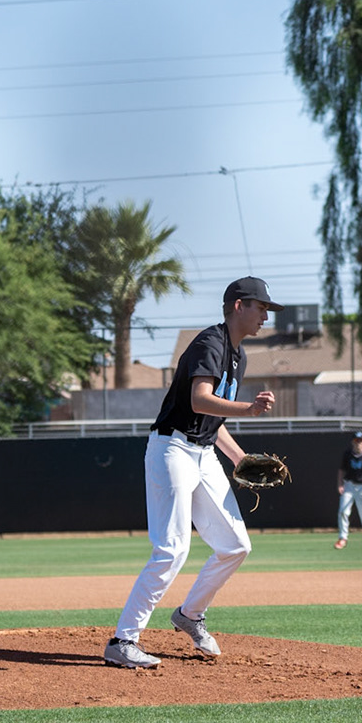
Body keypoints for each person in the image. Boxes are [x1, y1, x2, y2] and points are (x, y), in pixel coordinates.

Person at [105, 277, 280, 668]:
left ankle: (190, 614)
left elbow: (214, 420)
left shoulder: (238, 355)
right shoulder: (210, 343)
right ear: (238, 306)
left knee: (235, 546)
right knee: (172, 548)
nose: (266, 316)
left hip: (203, 452)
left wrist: (238, 458)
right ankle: (123, 640)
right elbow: (200, 400)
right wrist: (250, 409)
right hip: (172, 449)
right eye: (261, 307)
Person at [334, 430, 362, 550]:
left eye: (360, 440)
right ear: (352, 442)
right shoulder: (347, 454)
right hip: (349, 486)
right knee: (343, 511)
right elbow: (341, 470)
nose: (358, 443)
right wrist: (340, 484)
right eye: (356, 440)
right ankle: (342, 538)